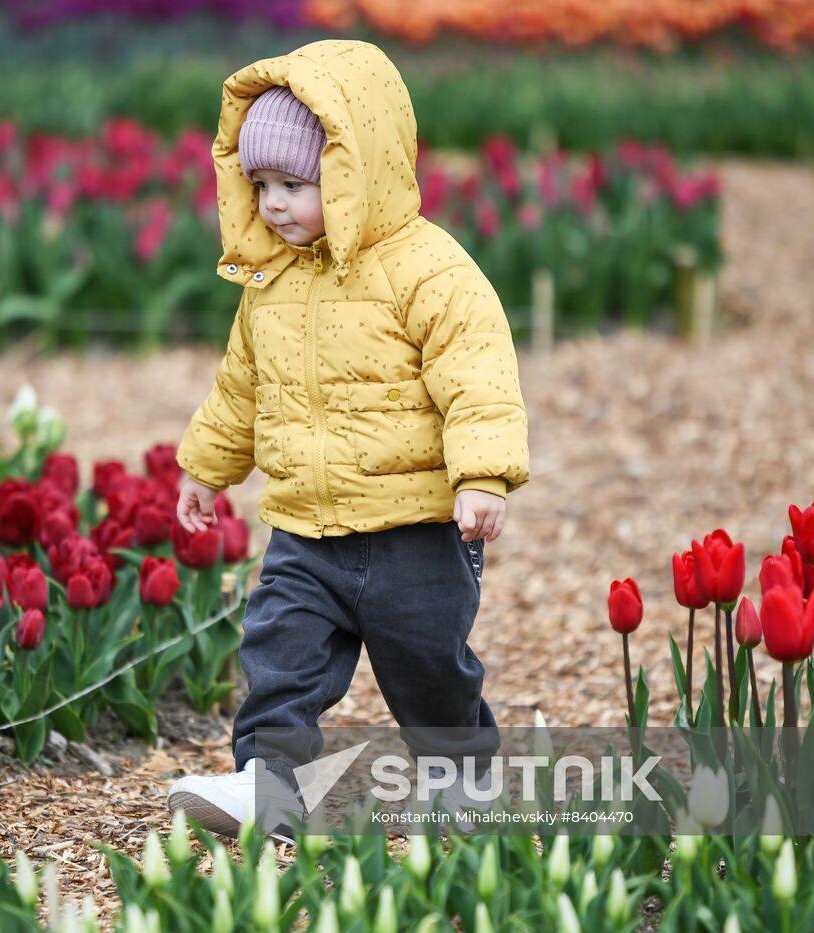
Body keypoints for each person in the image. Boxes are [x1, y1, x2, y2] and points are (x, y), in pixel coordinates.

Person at [166, 39, 530, 842]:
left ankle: (463, 781)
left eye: (296, 184)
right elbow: (242, 386)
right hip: (304, 526)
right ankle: (271, 785)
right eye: (260, 185)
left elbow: (477, 374)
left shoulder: (428, 270)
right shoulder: (270, 282)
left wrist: (482, 475)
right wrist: (206, 468)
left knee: (430, 666)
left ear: (357, 170)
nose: (273, 205)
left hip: (415, 528)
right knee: (278, 660)